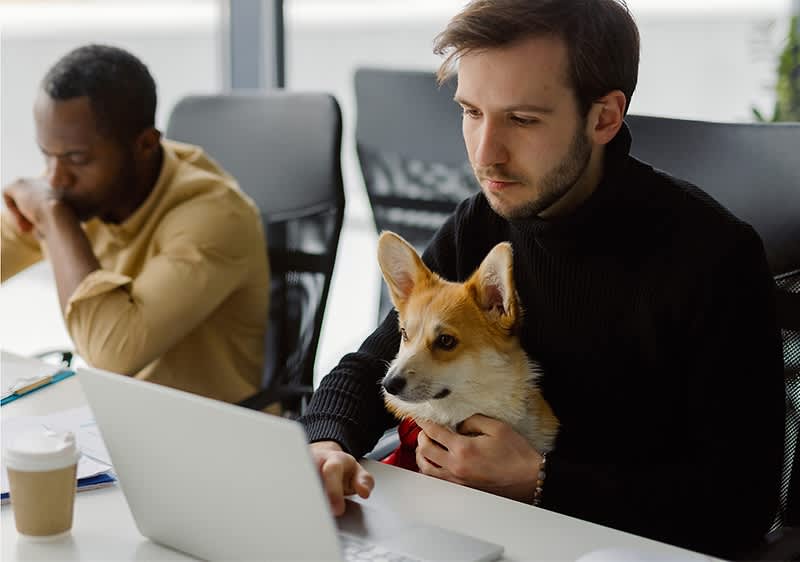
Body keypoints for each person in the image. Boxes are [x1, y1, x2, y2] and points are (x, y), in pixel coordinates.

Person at [300, 0, 785, 559]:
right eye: (471, 111)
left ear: (603, 117)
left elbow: (740, 503)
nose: (486, 155)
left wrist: (542, 482)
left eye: (522, 120)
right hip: (480, 531)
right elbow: (372, 368)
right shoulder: (478, 224)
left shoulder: (714, 256)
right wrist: (326, 444)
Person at [1, 44, 270, 404]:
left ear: (144, 145)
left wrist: (54, 218)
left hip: (210, 436)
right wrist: (53, 211)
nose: (55, 177)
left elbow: (110, 351)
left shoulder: (216, 214)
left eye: (76, 158)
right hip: (115, 418)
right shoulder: (77, 187)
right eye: (47, 154)